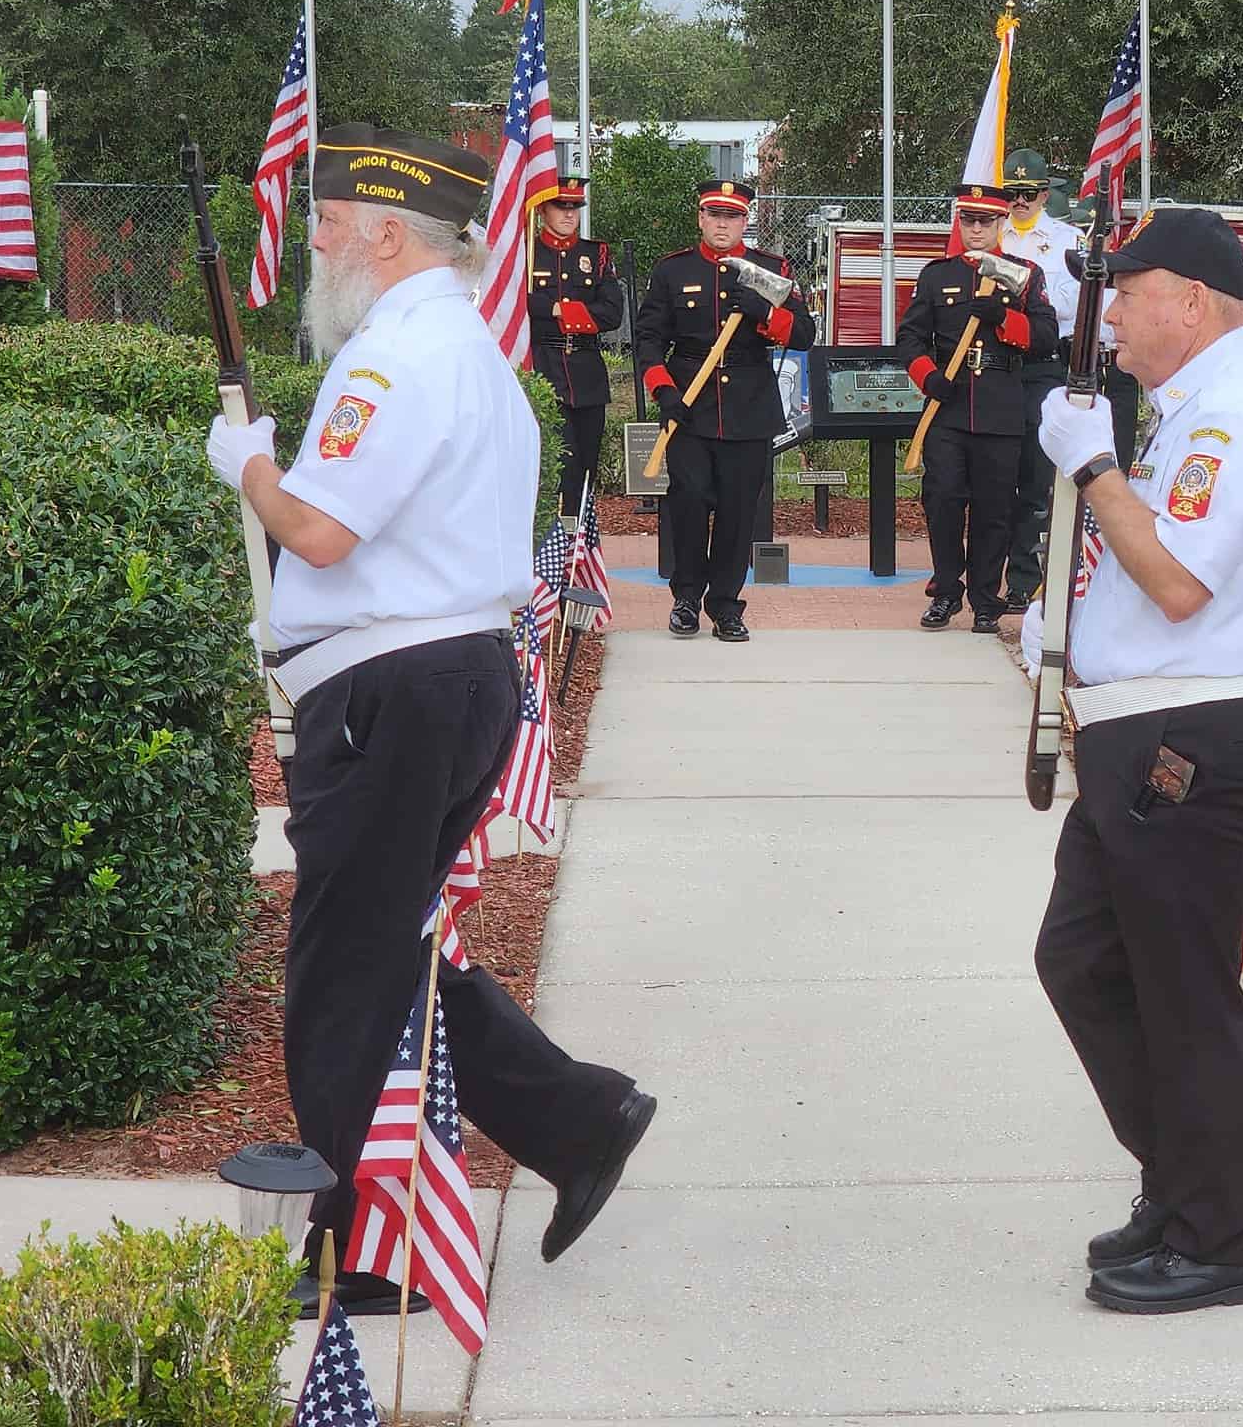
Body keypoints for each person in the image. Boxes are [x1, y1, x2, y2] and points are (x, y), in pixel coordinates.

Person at [203, 123, 655, 1319]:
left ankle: (359, 1249)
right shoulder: (475, 356)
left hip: (394, 691)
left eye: (332, 230)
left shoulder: (393, 360)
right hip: (447, 680)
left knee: (343, 969)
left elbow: (318, 530)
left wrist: (246, 461)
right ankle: (573, 1112)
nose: (319, 252)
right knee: (388, 947)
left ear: (389, 235)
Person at [1023, 206, 1243, 1316]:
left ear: (1190, 302)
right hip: (1141, 732)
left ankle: (1217, 1242)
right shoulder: (1192, 410)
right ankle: (1183, 1187)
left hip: (1187, 741)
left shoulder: (1231, 416)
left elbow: (1180, 581)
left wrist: (1093, 465)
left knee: (1183, 997)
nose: (1107, 316)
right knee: (1085, 963)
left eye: (1126, 291)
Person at [633, 178, 815, 643]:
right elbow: (649, 340)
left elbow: (803, 335)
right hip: (689, 402)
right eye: (714, 214)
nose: (722, 224)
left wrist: (763, 312)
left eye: (731, 216)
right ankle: (687, 599)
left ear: (744, 220)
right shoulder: (674, 270)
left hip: (748, 405)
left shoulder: (770, 269)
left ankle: (727, 606)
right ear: (700, 217)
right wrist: (663, 391)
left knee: (738, 513)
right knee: (689, 504)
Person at [898, 181, 1059, 631]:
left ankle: (987, 598)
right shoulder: (937, 275)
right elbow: (909, 338)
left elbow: (1046, 338)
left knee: (994, 509)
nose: (975, 229)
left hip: (1001, 404)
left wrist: (1005, 318)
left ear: (1001, 223)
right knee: (943, 500)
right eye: (967, 219)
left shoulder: (1025, 275)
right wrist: (928, 376)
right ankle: (947, 590)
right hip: (948, 404)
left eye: (985, 221)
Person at [998, 146, 1083, 608]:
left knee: (1034, 475)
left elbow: (1068, 304)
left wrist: (1021, 299)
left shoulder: (1067, 239)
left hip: (1044, 361)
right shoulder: (993, 234)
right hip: (997, 363)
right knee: (996, 474)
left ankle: (1023, 580)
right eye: (1013, 192)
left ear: (1045, 194)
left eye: (1029, 192)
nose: (1021, 201)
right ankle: (987, 576)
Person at [525, 171, 624, 518]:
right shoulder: (526, 254)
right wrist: (551, 308)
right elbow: (515, 303)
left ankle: (577, 543)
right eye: (560, 207)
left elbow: (612, 313)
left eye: (575, 207)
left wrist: (555, 309)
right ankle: (548, 542)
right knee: (552, 466)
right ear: (542, 211)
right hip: (543, 366)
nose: (569, 214)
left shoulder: (594, 254)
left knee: (584, 468)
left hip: (586, 371)